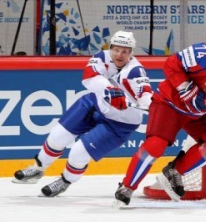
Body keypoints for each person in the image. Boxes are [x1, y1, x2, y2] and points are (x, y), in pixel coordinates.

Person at [114, 24, 206, 205]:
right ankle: (127, 186)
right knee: (156, 145)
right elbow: (171, 64)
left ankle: (175, 171)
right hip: (169, 103)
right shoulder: (205, 53)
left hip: (198, 112)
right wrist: (186, 89)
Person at [12, 30, 152, 197]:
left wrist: (147, 103)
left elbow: (145, 93)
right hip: (94, 104)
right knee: (57, 136)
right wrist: (109, 90)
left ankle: (65, 181)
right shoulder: (102, 57)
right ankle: (38, 168)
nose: (119, 54)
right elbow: (88, 77)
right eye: (116, 49)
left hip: (120, 122)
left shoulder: (135, 71)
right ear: (110, 48)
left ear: (131, 53)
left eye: (125, 51)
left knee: (78, 153)